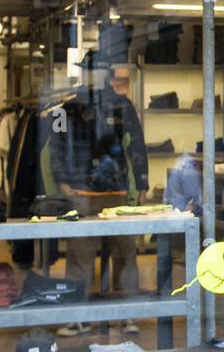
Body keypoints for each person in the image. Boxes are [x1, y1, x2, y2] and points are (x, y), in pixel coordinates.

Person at [46, 54, 150, 337]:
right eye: (90, 71)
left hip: (115, 191)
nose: (94, 75)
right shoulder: (64, 109)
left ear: (106, 73)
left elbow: (137, 144)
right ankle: (78, 316)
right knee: (80, 255)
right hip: (81, 191)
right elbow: (56, 148)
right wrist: (63, 183)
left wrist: (141, 183)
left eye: (99, 70)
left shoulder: (122, 105)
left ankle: (125, 313)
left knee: (125, 252)